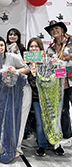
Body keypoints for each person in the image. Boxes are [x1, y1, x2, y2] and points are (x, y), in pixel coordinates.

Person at [0, 36, 30, 163]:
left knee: (17, 119)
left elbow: (27, 69)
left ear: (5, 46)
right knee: (0, 118)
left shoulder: (13, 57)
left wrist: (15, 70)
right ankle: (1, 145)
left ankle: (15, 146)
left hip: (18, 93)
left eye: (1, 45)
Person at [44, 20, 72, 155]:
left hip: (71, 80)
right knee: (64, 110)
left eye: (56, 28)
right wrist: (52, 62)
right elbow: (47, 62)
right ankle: (68, 136)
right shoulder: (51, 46)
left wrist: (63, 62)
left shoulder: (71, 41)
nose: (54, 31)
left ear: (62, 29)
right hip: (60, 84)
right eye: (52, 30)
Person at [26, 37, 48, 156]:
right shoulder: (25, 62)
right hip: (29, 97)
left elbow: (47, 81)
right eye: (31, 46)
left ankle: (47, 144)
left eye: (36, 46)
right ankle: (41, 144)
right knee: (36, 121)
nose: (33, 49)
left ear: (40, 48)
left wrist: (35, 75)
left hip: (43, 97)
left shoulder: (45, 62)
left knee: (44, 121)